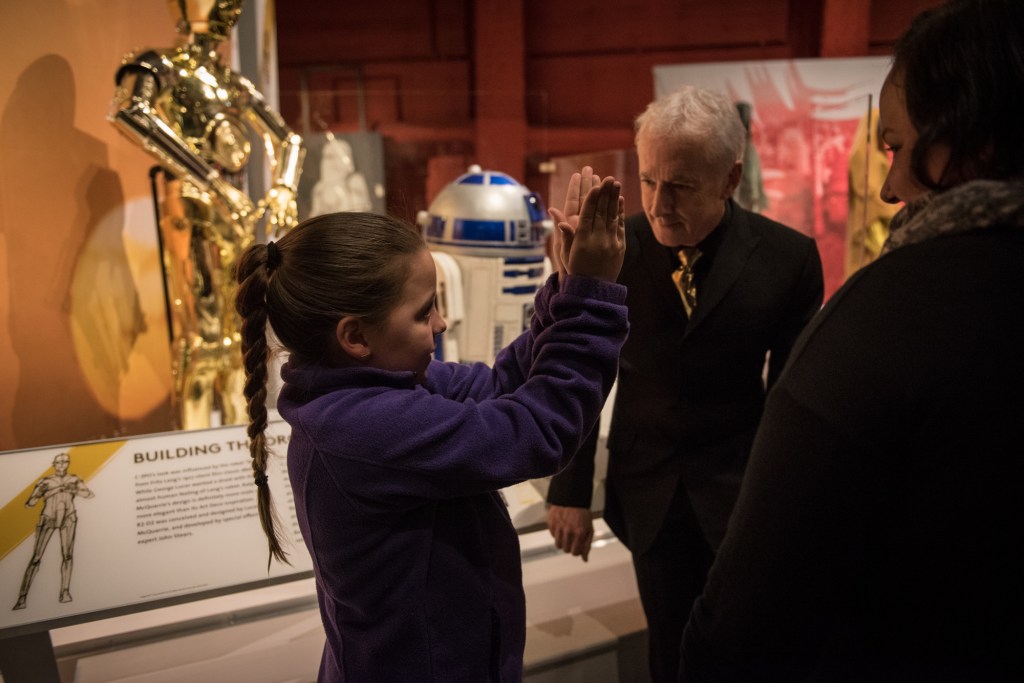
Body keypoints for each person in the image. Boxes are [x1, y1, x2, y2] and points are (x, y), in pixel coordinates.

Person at [680, 0, 1024, 679]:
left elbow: (746, 618)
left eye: (897, 148)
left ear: (970, 139)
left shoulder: (889, 314)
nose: (891, 186)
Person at [235, 172, 627, 681]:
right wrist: (592, 299)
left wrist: (569, 290)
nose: (441, 324)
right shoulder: (363, 428)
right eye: (425, 313)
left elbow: (500, 390)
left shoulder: (365, 387)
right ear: (355, 336)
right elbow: (534, 432)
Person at [545, 87, 824, 681]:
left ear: (730, 179)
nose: (659, 204)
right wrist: (570, 489)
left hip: (741, 492)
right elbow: (582, 369)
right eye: (647, 181)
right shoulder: (612, 247)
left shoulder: (788, 258)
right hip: (646, 489)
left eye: (681, 185)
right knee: (668, 653)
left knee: (746, 649)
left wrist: (788, 504)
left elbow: (791, 399)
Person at [109, 0, 304, 430]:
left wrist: (284, 187)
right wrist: (212, 184)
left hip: (234, 212)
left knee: (241, 336)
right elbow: (130, 111)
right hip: (194, 207)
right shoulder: (158, 65)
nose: (229, 8)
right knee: (202, 340)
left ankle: (241, 447)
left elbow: (287, 138)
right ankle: (194, 447)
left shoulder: (229, 80)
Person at [13, 453, 95, 610]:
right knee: (36, 557)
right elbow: (30, 503)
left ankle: (65, 592)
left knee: (68, 556)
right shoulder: (45, 481)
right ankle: (22, 598)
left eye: (65, 462)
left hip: (68, 517)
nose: (62, 465)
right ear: (54, 464)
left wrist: (75, 490)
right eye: (59, 462)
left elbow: (89, 494)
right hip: (48, 517)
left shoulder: (74, 479)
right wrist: (39, 492)